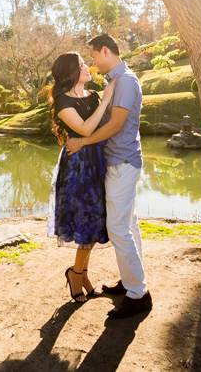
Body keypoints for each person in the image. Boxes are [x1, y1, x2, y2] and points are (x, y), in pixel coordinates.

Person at [66, 34, 152, 319]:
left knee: (117, 227)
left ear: (105, 51)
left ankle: (138, 294)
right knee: (128, 223)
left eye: (92, 57)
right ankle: (131, 284)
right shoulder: (116, 81)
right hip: (119, 162)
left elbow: (116, 125)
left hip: (122, 162)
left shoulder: (125, 81)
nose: (92, 63)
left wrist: (83, 143)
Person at [48, 51, 117, 303]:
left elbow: (105, 127)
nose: (87, 67)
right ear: (70, 73)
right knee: (87, 223)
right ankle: (76, 275)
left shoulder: (93, 95)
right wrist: (106, 98)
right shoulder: (62, 102)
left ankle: (82, 275)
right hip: (78, 167)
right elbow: (87, 128)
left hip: (98, 161)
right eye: (80, 65)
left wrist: (104, 99)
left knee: (97, 223)